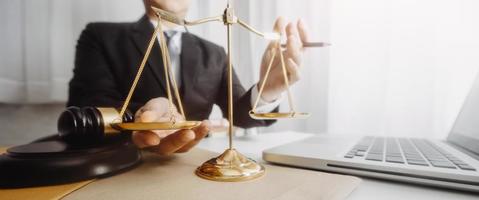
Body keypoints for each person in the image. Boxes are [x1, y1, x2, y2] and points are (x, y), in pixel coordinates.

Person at [67, 0, 310, 155]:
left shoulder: (215, 53)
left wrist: (269, 88)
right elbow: (89, 107)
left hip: (193, 165)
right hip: (122, 162)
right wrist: (145, 120)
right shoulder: (101, 36)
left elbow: (239, 112)